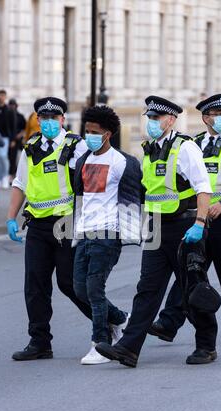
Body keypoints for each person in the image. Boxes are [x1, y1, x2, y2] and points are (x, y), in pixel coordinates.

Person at [95, 95, 217, 367]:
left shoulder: (185, 148)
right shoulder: (149, 150)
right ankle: (129, 347)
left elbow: (203, 188)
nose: (150, 122)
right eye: (148, 118)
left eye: (156, 118)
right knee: (147, 289)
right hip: (155, 227)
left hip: (185, 227)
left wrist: (199, 223)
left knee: (192, 287)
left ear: (171, 120)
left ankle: (206, 344)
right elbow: (147, 191)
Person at [150, 94, 221, 343]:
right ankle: (169, 322)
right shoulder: (193, 143)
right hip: (197, 218)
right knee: (189, 272)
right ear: (206, 118)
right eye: (218, 115)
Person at [7, 96, 92, 361]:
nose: (49, 123)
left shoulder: (76, 146)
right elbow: (20, 184)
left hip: (66, 224)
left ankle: (109, 321)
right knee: (35, 285)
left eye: (54, 119)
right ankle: (40, 341)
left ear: (63, 120)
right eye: (44, 119)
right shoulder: (31, 146)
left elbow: (89, 184)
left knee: (70, 283)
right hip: (38, 226)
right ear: (38, 120)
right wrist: (11, 218)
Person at [73, 105, 143, 364]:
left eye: (94, 132)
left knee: (94, 289)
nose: (88, 135)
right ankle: (120, 318)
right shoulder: (83, 161)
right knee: (79, 289)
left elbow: (133, 199)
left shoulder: (122, 162)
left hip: (108, 234)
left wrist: (129, 234)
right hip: (84, 233)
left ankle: (99, 342)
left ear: (108, 134)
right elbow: (80, 197)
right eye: (87, 131)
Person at [8, 99, 27, 181]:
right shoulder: (7, 116)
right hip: (11, 139)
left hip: (19, 140)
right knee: (11, 157)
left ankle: (18, 175)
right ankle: (12, 174)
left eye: (13, 105)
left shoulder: (20, 116)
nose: (12, 107)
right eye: (10, 105)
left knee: (19, 157)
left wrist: (20, 135)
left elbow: (25, 128)